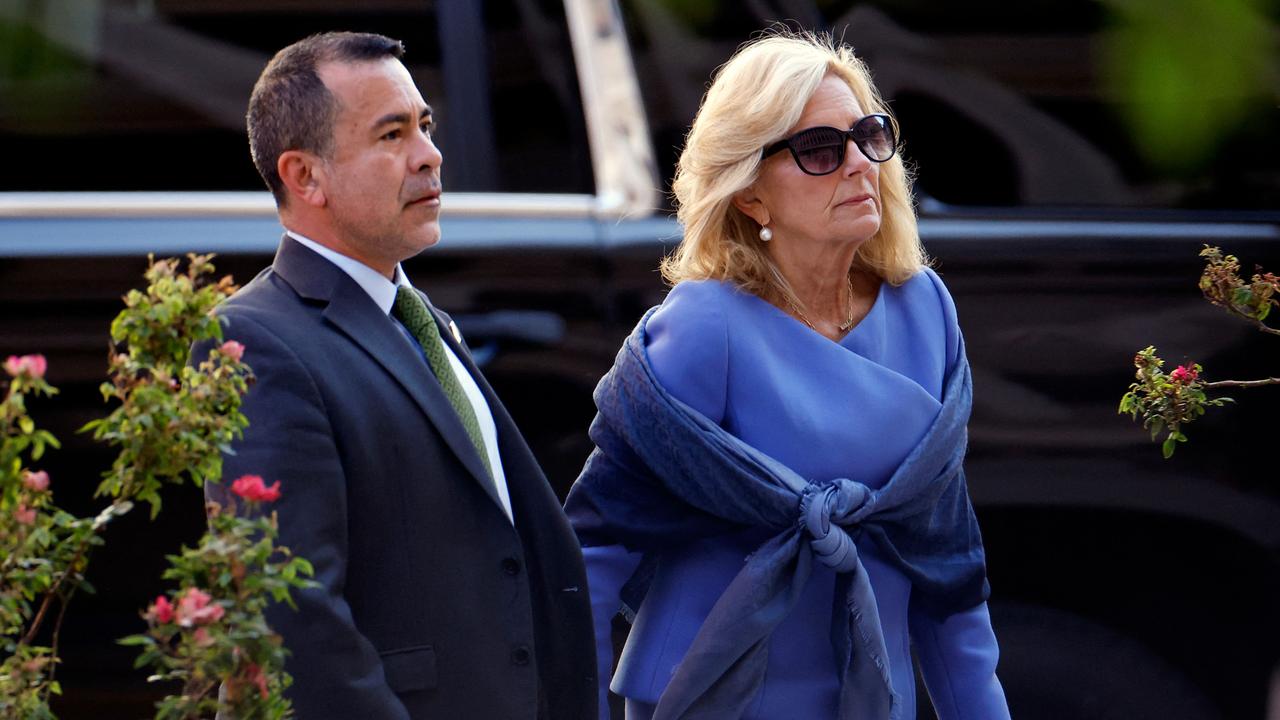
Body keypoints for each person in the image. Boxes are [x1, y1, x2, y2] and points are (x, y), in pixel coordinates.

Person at [565, 31, 1011, 720]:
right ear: (750, 196)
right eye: (820, 150)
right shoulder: (704, 327)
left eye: (869, 136)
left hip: (866, 700)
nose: (859, 164)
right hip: (711, 699)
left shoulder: (926, 310)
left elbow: (945, 563)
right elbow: (594, 556)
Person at [201, 32, 596, 719]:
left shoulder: (421, 321)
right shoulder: (255, 340)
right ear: (304, 176)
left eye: (425, 125)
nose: (430, 154)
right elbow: (291, 617)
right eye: (391, 134)